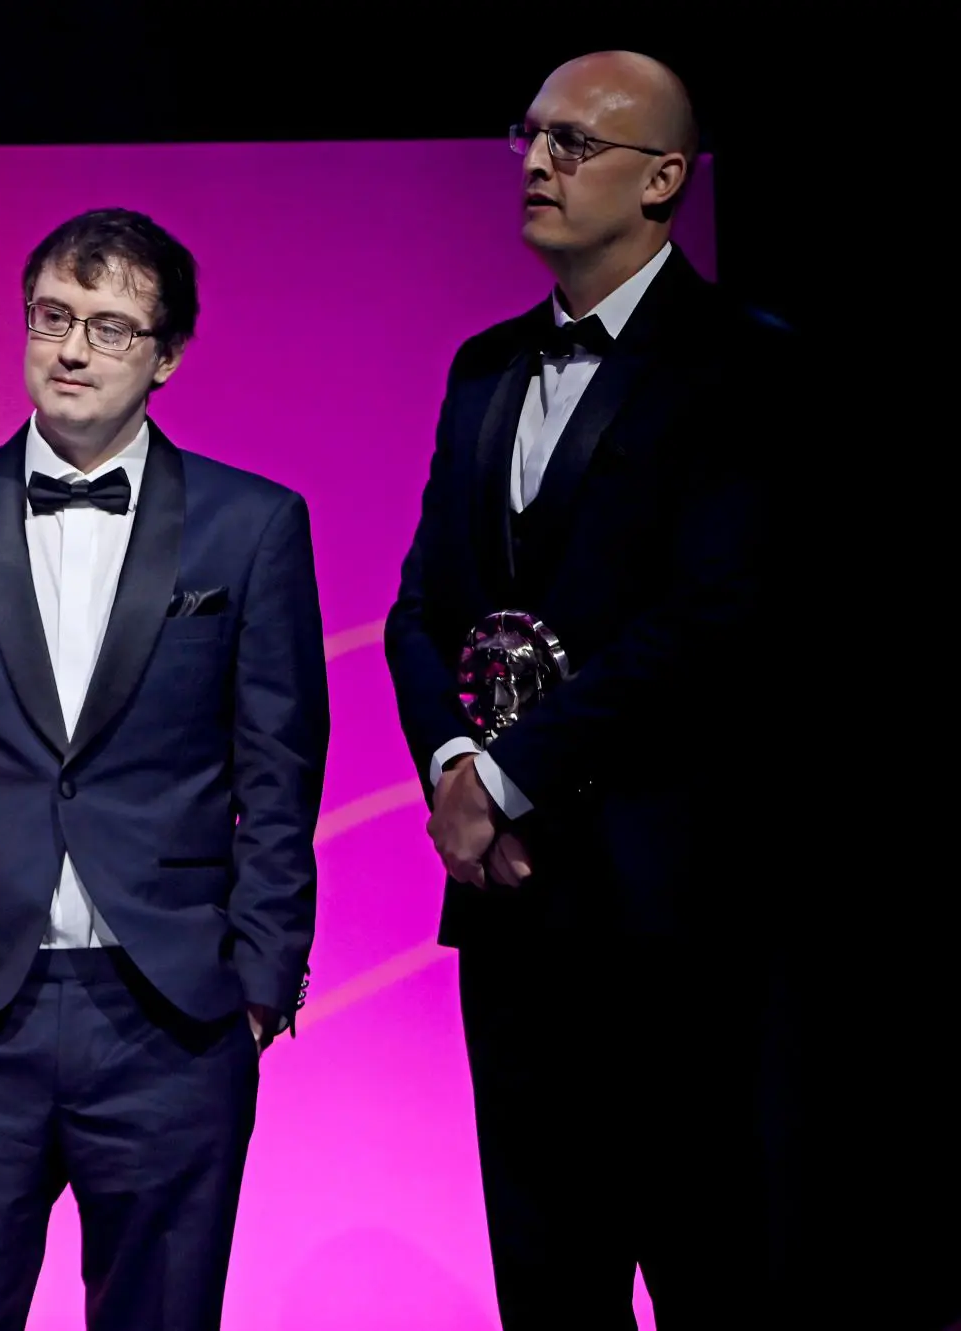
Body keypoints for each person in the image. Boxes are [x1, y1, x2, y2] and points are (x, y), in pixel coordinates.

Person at [0, 207, 329, 1330]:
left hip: (170, 1013)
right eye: (51, 318)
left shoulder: (251, 524)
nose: (70, 349)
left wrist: (260, 978)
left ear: (166, 357)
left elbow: (278, 764)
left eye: (109, 328)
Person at [383, 52, 793, 1328]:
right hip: (511, 917)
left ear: (663, 178)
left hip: (670, 909)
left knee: (711, 1274)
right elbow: (418, 609)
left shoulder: (741, 365)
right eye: (528, 135)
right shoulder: (481, 366)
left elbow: (710, 622)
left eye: (572, 142)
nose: (536, 163)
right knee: (545, 1284)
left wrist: (505, 780)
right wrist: (453, 768)